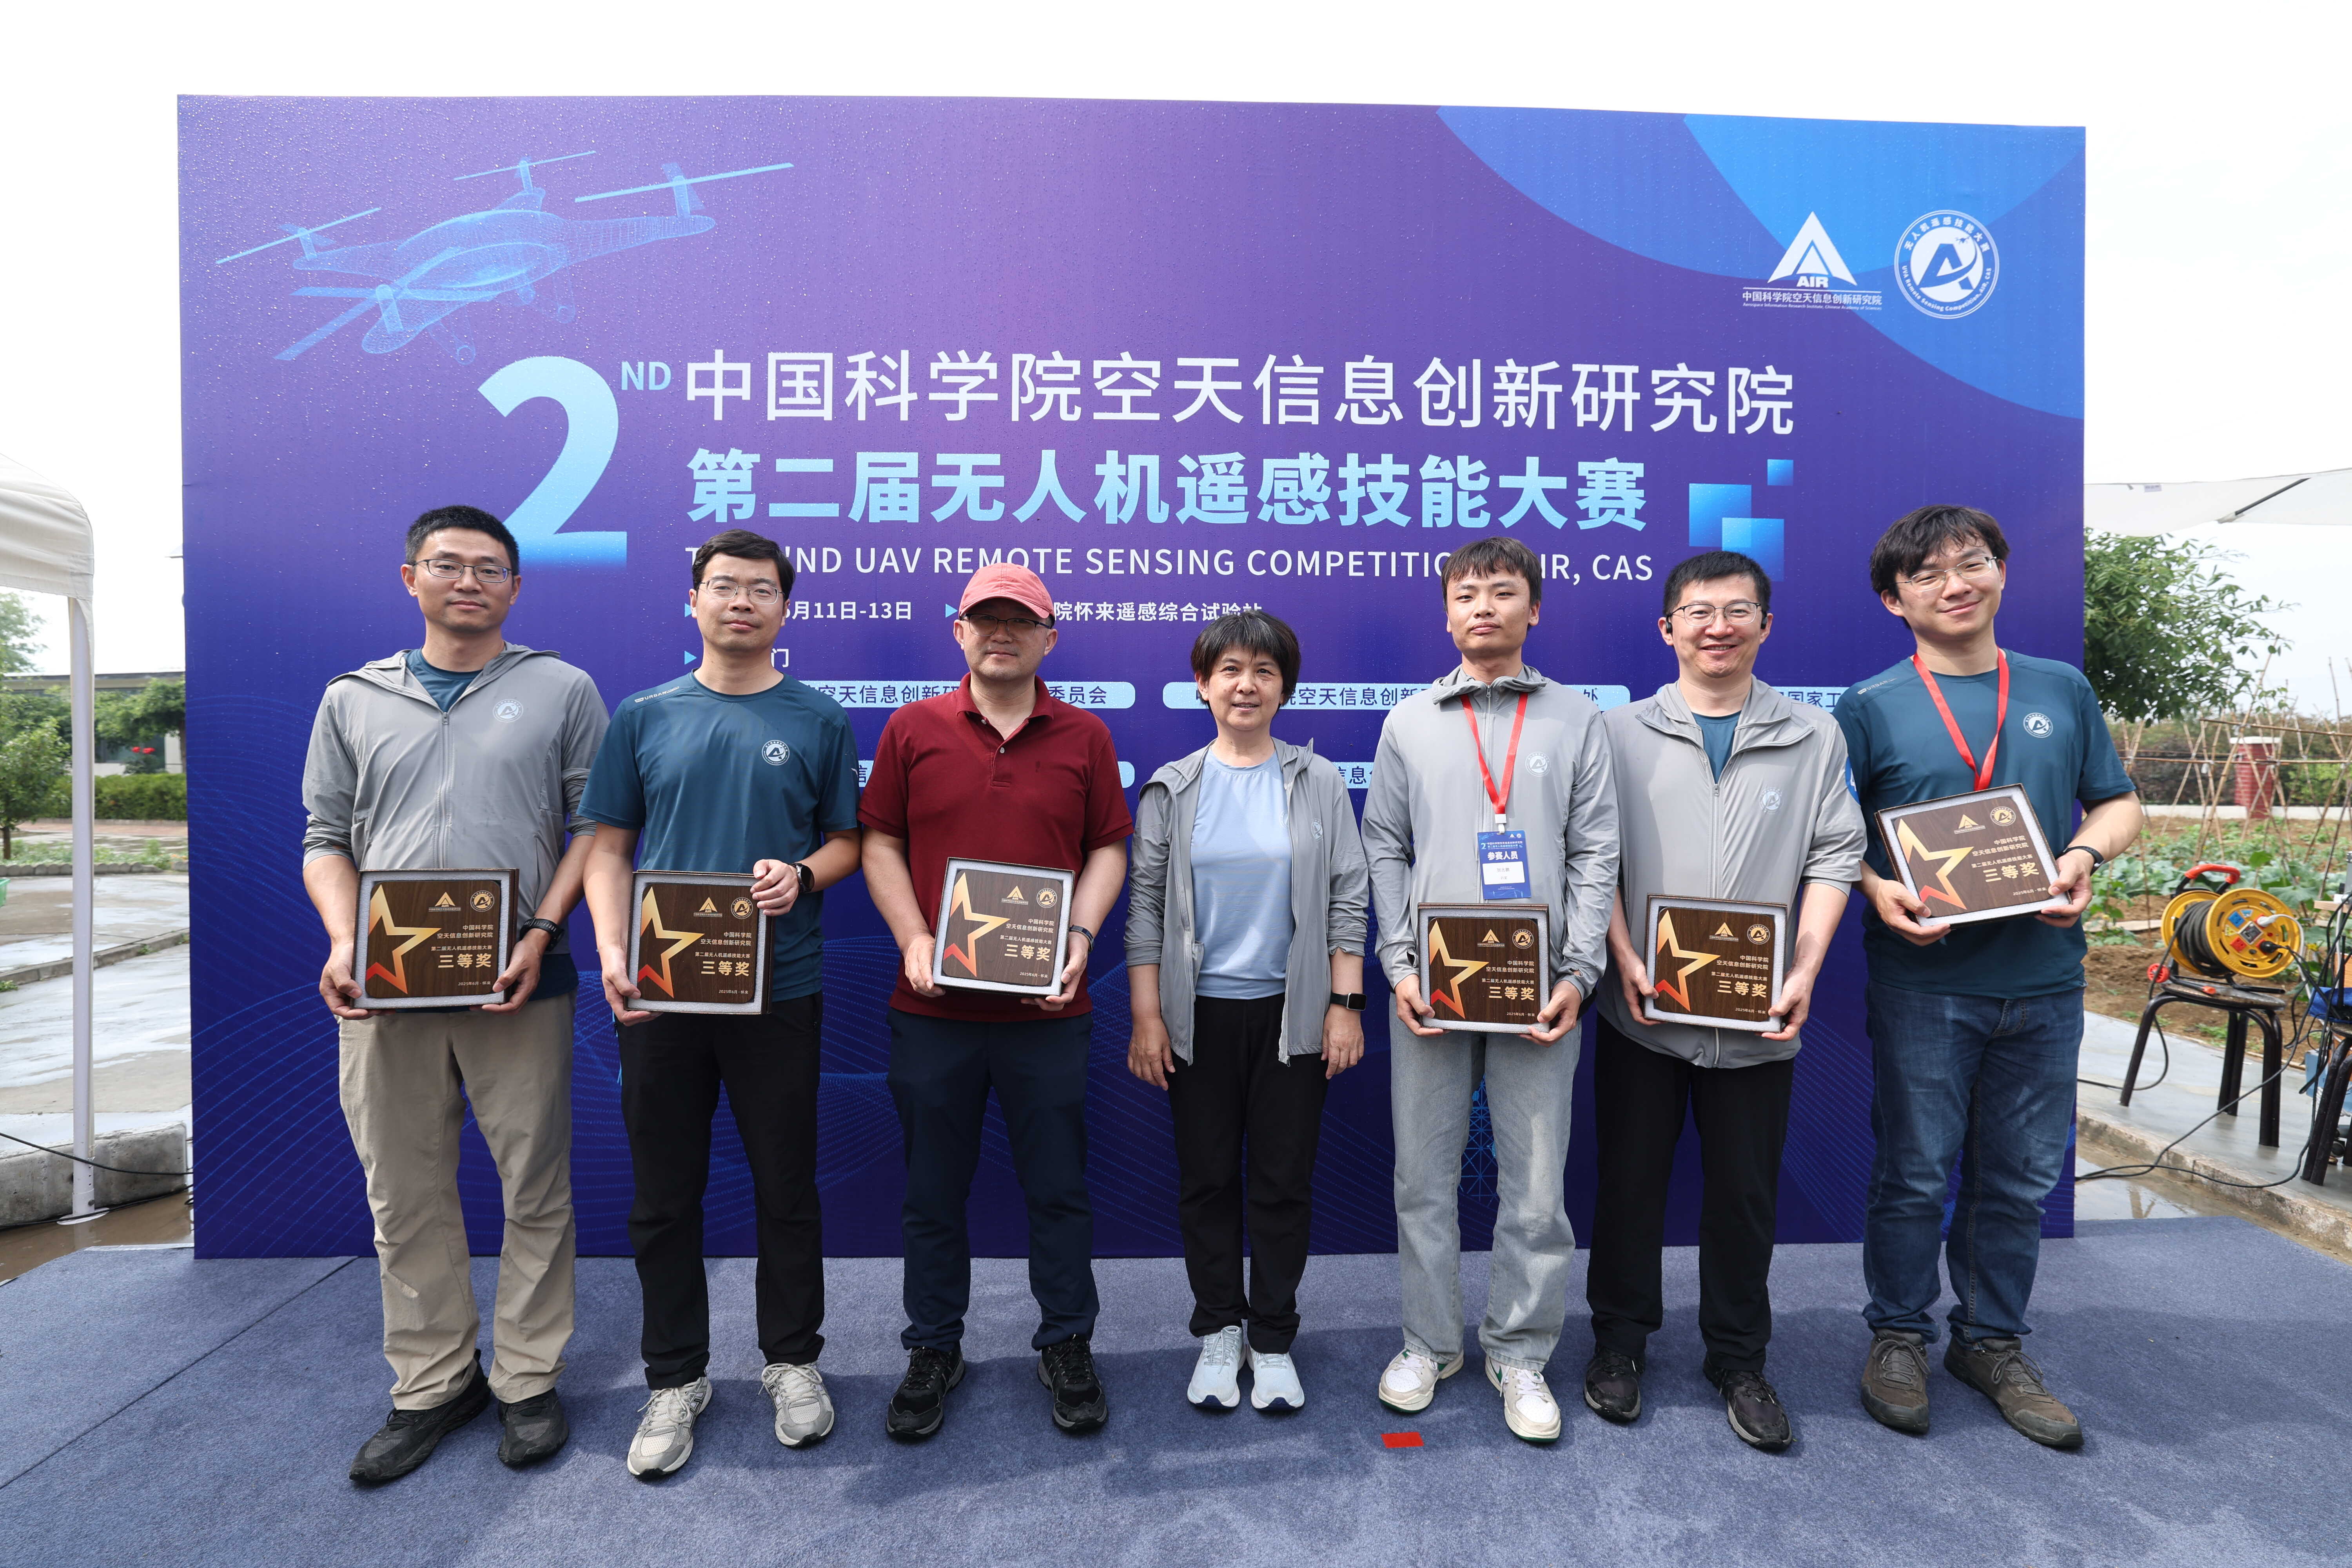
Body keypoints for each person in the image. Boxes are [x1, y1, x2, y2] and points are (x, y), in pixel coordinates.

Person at [302, 504, 608, 1484]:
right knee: (403, 1190)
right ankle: (433, 1381)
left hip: (520, 981)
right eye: (447, 564)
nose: (468, 581)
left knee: (535, 1185)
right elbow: (325, 838)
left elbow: (596, 827)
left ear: (516, 586)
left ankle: (527, 1376)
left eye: (488, 568)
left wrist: (542, 931)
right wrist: (345, 939)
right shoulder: (354, 697)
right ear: (411, 578)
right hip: (384, 989)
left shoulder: (561, 688)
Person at [1838, 505, 2141, 1450]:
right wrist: (1877, 886)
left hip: (2045, 979)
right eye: (1926, 574)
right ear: (1894, 601)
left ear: (2002, 570)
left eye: (1970, 563)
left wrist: (2084, 854)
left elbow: (2118, 801)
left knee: (2017, 1178)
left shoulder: (2060, 688)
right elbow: (1831, 834)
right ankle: (1898, 1334)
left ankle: (1992, 1342)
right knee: (1914, 1171)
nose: (1954, 584)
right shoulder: (1870, 704)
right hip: (1924, 983)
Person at [579, 528, 862, 1480]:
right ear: (692, 600)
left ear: (786, 608)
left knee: (787, 1186)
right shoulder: (644, 714)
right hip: (662, 990)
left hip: (781, 987)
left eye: (761, 589)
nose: (742, 601)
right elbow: (608, 847)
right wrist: (612, 949)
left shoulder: (818, 717)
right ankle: (675, 1376)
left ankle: (793, 1359)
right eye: (725, 585)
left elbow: (847, 840)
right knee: (665, 1193)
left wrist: (804, 874)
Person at [1582, 550, 1864, 1451]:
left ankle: (1739, 1358)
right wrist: (1623, 955)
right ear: (1667, 627)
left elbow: (1834, 854)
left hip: (1758, 1018)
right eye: (1698, 611)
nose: (1718, 627)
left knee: (1745, 1196)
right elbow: (1594, 858)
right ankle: (1619, 1343)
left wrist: (1805, 967)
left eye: (1738, 610)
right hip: (1643, 1012)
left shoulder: (1813, 735)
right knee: (1629, 1187)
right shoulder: (1615, 732)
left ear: (1765, 626)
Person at [859, 563, 1131, 1439]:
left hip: (1047, 1016)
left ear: (1050, 637)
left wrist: (1081, 937)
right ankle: (934, 1347)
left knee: (1059, 1190)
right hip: (932, 1011)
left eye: (1021, 620)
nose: (1001, 633)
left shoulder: (1085, 734)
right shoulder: (912, 728)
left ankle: (1067, 1341)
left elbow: (1108, 848)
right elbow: (880, 841)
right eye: (986, 619)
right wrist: (913, 935)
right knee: (932, 1194)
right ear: (960, 631)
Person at [1361, 535, 1619, 1445]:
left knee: (1537, 1185)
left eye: (1503, 591)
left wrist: (1579, 971)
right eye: (1466, 593)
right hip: (1431, 989)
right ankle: (1430, 1342)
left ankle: (1520, 1350)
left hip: (1540, 989)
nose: (1483, 607)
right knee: (1422, 1178)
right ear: (1446, 614)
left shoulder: (1577, 717)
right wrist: (1399, 965)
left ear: (1533, 608)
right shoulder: (1409, 721)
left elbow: (1597, 850)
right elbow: (1383, 846)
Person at [1125, 611, 1370, 1414]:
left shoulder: (1318, 780)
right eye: (1230, 669)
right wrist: (1148, 1016)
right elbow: (1146, 908)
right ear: (1203, 683)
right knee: (1205, 1181)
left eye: (1264, 671)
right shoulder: (1172, 786)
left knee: (1281, 1183)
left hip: (1292, 1017)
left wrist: (1344, 1004)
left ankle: (1271, 1338)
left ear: (1284, 688)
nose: (1246, 685)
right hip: (1196, 1020)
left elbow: (1348, 896)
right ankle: (1218, 1331)